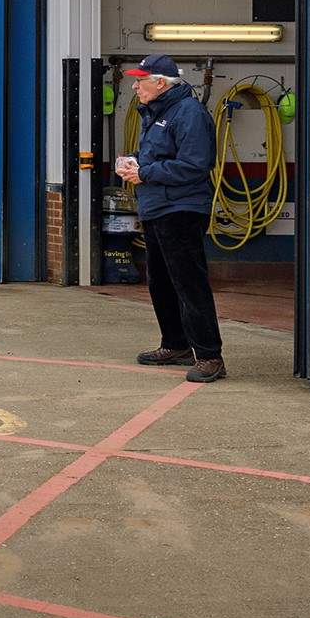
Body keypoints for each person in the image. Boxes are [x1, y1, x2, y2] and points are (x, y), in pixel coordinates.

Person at [116, 54, 226, 383]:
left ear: (161, 83)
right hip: (156, 207)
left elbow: (194, 165)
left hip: (181, 210)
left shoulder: (189, 113)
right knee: (161, 281)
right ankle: (176, 344)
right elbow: (158, 156)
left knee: (189, 283)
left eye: (140, 81)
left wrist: (145, 173)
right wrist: (133, 162)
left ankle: (210, 356)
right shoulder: (157, 113)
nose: (135, 87)